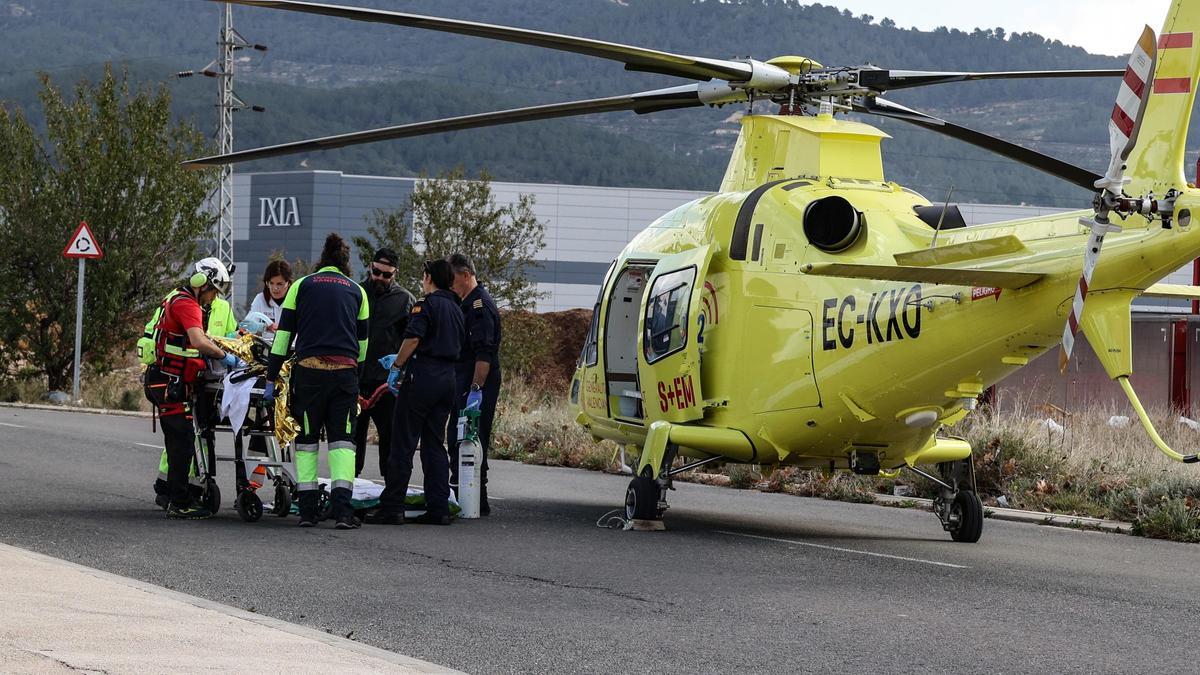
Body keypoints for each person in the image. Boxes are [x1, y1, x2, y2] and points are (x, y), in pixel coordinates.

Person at [264, 233, 369, 529]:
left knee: (308, 442)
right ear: (345, 264)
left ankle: (308, 512)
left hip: (309, 376)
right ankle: (343, 512)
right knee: (342, 443)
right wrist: (355, 379)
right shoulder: (357, 291)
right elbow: (362, 345)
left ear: (320, 262)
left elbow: (282, 339)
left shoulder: (301, 286)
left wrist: (272, 379)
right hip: (344, 376)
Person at [366, 259, 464, 526]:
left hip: (423, 376)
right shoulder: (457, 308)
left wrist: (397, 366)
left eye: (424, 275)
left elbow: (412, 338)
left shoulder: (425, 305)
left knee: (402, 442)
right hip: (448, 379)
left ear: (429, 277)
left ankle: (393, 506)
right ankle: (438, 507)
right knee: (434, 444)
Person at [144, 258, 241, 520]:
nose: (212, 299)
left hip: (168, 381)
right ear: (202, 284)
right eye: (213, 291)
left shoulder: (178, 297)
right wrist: (224, 355)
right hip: (169, 382)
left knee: (181, 440)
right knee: (182, 442)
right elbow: (198, 340)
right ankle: (179, 502)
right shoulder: (187, 304)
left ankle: (177, 496)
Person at [445, 253, 502, 515]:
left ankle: (476, 498)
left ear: (466, 275)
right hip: (464, 381)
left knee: (471, 439)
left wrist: (476, 391)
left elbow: (484, 354)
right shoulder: (465, 303)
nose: (450, 285)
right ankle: (468, 496)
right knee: (460, 438)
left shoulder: (480, 306)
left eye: (453, 279)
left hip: (477, 384)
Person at [354, 248, 415, 477]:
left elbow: (413, 339)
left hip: (386, 385)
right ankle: (349, 493)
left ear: (395, 274)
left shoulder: (405, 300)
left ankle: (389, 498)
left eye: (386, 275)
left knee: (390, 442)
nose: (379, 278)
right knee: (351, 444)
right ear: (371, 268)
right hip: (357, 381)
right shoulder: (358, 293)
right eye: (376, 272)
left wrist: (402, 371)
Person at [249, 259, 292, 344]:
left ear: (288, 283)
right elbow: (245, 326)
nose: (275, 288)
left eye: (280, 284)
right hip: (265, 350)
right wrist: (265, 327)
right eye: (271, 283)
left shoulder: (297, 300)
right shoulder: (260, 299)